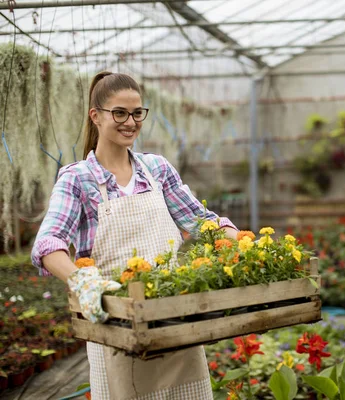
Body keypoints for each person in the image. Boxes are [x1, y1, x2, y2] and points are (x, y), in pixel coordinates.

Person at [31, 71, 238, 399]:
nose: (130, 122)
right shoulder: (78, 179)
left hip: (172, 321)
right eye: (120, 113)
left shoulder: (157, 170)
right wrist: (82, 281)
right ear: (95, 116)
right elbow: (48, 244)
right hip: (116, 326)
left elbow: (201, 221)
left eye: (137, 113)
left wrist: (238, 240)